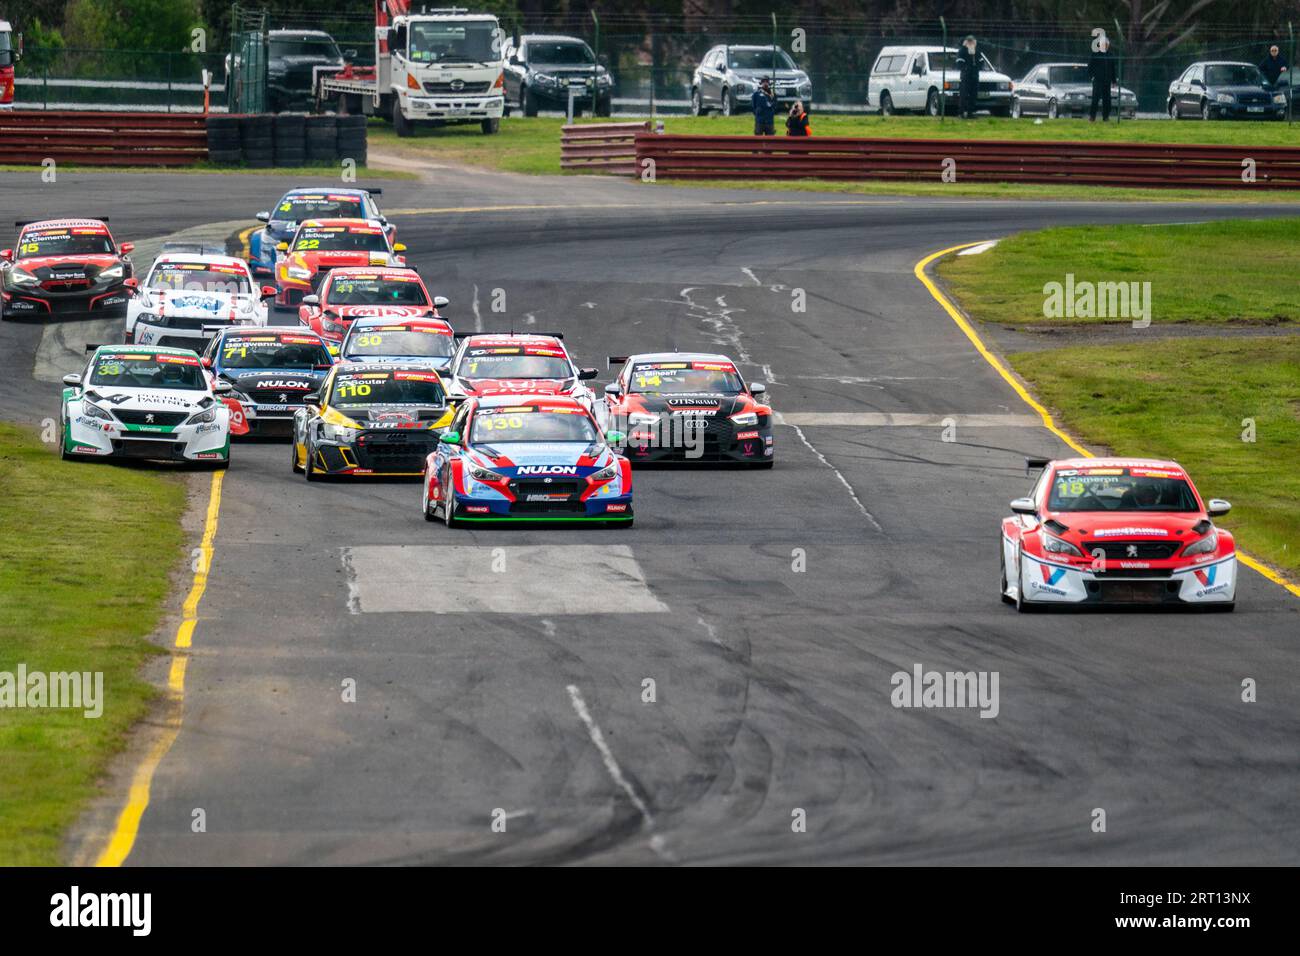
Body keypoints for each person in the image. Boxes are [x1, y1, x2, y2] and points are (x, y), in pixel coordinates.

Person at [1088, 35, 1116, 122]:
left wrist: (1113, 81)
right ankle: (1092, 117)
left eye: (1107, 44)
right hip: (1097, 80)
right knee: (1095, 99)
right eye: (1104, 44)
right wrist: (1091, 77)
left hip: (1107, 81)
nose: (1106, 46)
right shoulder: (1095, 54)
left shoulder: (1110, 55)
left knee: (1107, 99)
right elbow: (1090, 67)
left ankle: (1106, 117)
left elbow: (1113, 69)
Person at [954, 36, 980, 118]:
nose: (971, 43)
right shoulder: (962, 51)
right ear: (966, 42)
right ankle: (961, 113)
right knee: (964, 95)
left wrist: (977, 68)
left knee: (973, 95)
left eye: (972, 41)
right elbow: (959, 63)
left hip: (975, 76)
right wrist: (966, 68)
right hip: (965, 77)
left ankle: (970, 112)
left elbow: (981, 62)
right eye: (969, 41)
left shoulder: (977, 51)